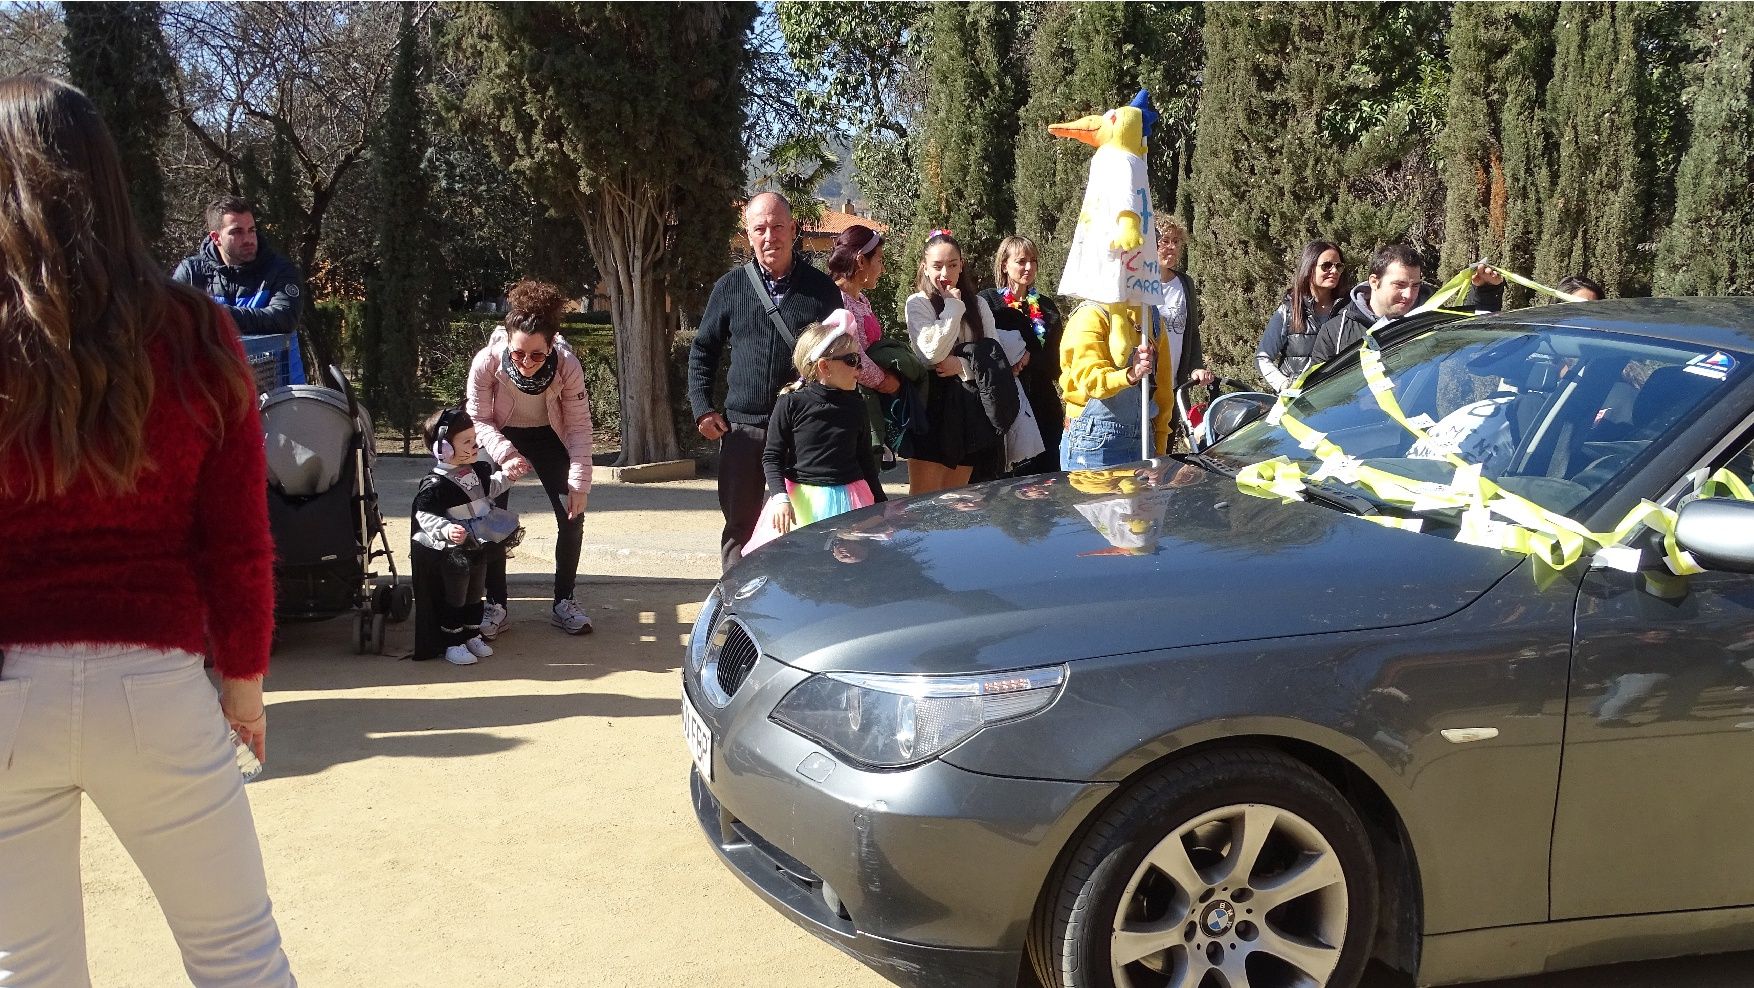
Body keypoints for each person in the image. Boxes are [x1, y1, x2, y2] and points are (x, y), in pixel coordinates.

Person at [0, 76, 294, 986]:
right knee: (241, 961)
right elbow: (240, 540)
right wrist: (243, 685)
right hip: (156, 685)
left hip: (8, 688)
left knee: (29, 973)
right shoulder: (194, 331)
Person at [689, 192, 843, 572]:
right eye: (760, 228)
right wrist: (702, 407)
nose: (770, 236)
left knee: (801, 525)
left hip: (802, 432)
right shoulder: (730, 287)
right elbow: (703, 349)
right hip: (744, 431)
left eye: (777, 226)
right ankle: (736, 613)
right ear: (748, 233)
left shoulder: (822, 290)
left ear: (793, 229)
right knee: (740, 527)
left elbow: (838, 358)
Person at [466, 279, 595, 637]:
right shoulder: (487, 363)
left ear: (551, 345)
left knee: (572, 513)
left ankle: (564, 601)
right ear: (508, 342)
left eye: (537, 355)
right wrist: (505, 454)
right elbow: (478, 418)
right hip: (500, 437)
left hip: (549, 436)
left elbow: (580, 426)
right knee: (489, 515)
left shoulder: (567, 366)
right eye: (519, 353)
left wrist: (580, 482)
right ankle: (496, 604)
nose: (526, 362)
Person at [746, 321, 888, 552]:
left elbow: (865, 458)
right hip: (803, 502)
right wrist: (780, 497)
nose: (859, 368)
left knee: (852, 565)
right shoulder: (791, 403)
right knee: (801, 563)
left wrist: (880, 502)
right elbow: (772, 456)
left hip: (851, 498)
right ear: (824, 366)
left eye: (859, 360)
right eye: (852, 360)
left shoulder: (857, 405)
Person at [410, 408, 518, 665]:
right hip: (454, 551)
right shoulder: (435, 484)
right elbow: (424, 516)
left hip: (478, 542)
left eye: (474, 439)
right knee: (455, 595)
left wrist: (509, 476)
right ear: (443, 449)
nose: (475, 445)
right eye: (467, 441)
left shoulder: (476, 470)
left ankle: (472, 634)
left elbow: (490, 489)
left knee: (475, 591)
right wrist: (446, 529)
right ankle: (452, 642)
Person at [904, 230, 1004, 495]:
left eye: (952, 265)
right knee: (923, 505)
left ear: (962, 266)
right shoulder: (918, 304)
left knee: (956, 504)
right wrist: (953, 308)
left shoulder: (980, 305)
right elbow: (931, 354)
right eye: (937, 266)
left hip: (968, 411)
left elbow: (994, 357)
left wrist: (962, 366)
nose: (945, 273)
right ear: (924, 268)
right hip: (932, 411)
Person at [1309, 243, 1503, 363]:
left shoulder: (1427, 319)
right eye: (1399, 285)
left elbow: (1471, 337)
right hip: (1354, 428)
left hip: (1415, 427)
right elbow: (1315, 396)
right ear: (1374, 282)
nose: (1409, 295)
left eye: (1415, 285)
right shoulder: (1336, 331)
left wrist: (1486, 291)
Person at [980, 235, 1064, 475]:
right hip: (1004, 402)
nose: (1029, 267)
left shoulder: (1046, 308)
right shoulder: (988, 302)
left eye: (1033, 261)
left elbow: (1057, 363)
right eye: (1021, 261)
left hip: (1042, 407)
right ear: (1004, 264)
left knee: (1046, 479)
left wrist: (1029, 359)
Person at [171, 195, 304, 337]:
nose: (248, 239)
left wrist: (213, 314)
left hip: (276, 359)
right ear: (216, 238)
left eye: (251, 230)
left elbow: (284, 318)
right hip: (215, 359)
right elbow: (172, 320)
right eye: (237, 232)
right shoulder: (191, 272)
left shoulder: (279, 269)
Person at [1151, 216, 1216, 446]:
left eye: (1177, 241)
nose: (1172, 247)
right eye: (1165, 241)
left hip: (1174, 385)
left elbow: (1192, 332)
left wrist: (1196, 366)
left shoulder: (1185, 283)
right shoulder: (1139, 285)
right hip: (1146, 386)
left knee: (1166, 446)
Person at [1257, 240, 1347, 391]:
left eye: (1339, 266)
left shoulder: (1347, 311)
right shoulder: (1288, 311)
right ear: (1309, 267)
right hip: (1298, 405)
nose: (1334, 271)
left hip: (1337, 400)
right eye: (1326, 266)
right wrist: (1285, 385)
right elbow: (1262, 357)